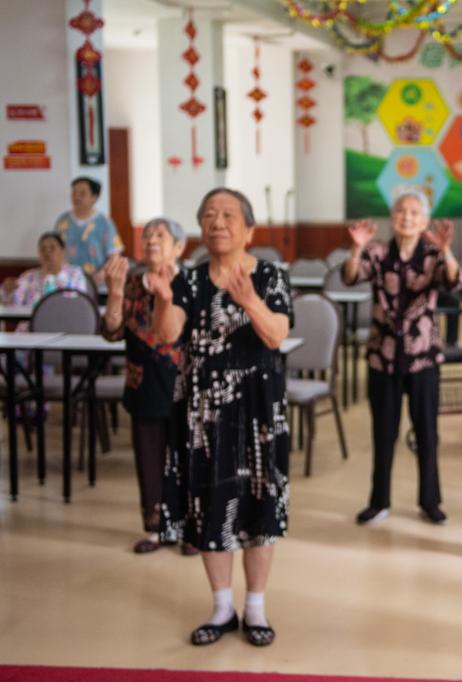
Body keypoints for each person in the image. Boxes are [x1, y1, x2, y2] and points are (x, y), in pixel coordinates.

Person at [153, 188, 292, 647]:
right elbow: (168, 333)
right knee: (210, 505)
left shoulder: (271, 276)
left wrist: (250, 300)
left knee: (258, 504)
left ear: (249, 229)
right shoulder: (189, 281)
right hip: (203, 413)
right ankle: (221, 608)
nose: (218, 222)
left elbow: (274, 337)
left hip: (257, 409)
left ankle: (256, 609)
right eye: (209, 214)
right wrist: (160, 295)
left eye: (229, 214)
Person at [343, 190, 462, 526]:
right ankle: (378, 501)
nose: (407, 217)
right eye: (401, 211)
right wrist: (356, 247)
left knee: (427, 433)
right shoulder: (378, 251)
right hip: (382, 357)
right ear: (392, 216)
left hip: (422, 358)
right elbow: (351, 276)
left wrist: (447, 251)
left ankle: (430, 501)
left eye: (414, 212)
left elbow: (455, 282)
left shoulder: (432, 253)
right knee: (383, 433)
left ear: (424, 220)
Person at [101, 218, 196, 556]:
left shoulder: (191, 283)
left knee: (185, 456)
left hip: (185, 380)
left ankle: (188, 528)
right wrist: (114, 293)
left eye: (161, 235)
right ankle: (155, 529)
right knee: (149, 457)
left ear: (179, 247)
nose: (152, 240)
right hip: (143, 380)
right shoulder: (130, 284)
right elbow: (111, 331)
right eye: (149, 235)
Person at [2, 232, 89, 331]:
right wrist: (8, 292)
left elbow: (79, 304)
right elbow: (13, 305)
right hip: (30, 328)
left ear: (62, 252)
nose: (47, 252)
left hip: (64, 326)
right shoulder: (28, 276)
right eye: (43, 249)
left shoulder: (74, 274)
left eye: (52, 248)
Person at [53, 176, 123, 277]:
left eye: (82, 193)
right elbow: (55, 252)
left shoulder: (104, 222)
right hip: (68, 283)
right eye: (74, 192)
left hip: (99, 284)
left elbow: (114, 257)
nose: (76, 196)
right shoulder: (62, 221)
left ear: (94, 197)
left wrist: (98, 278)